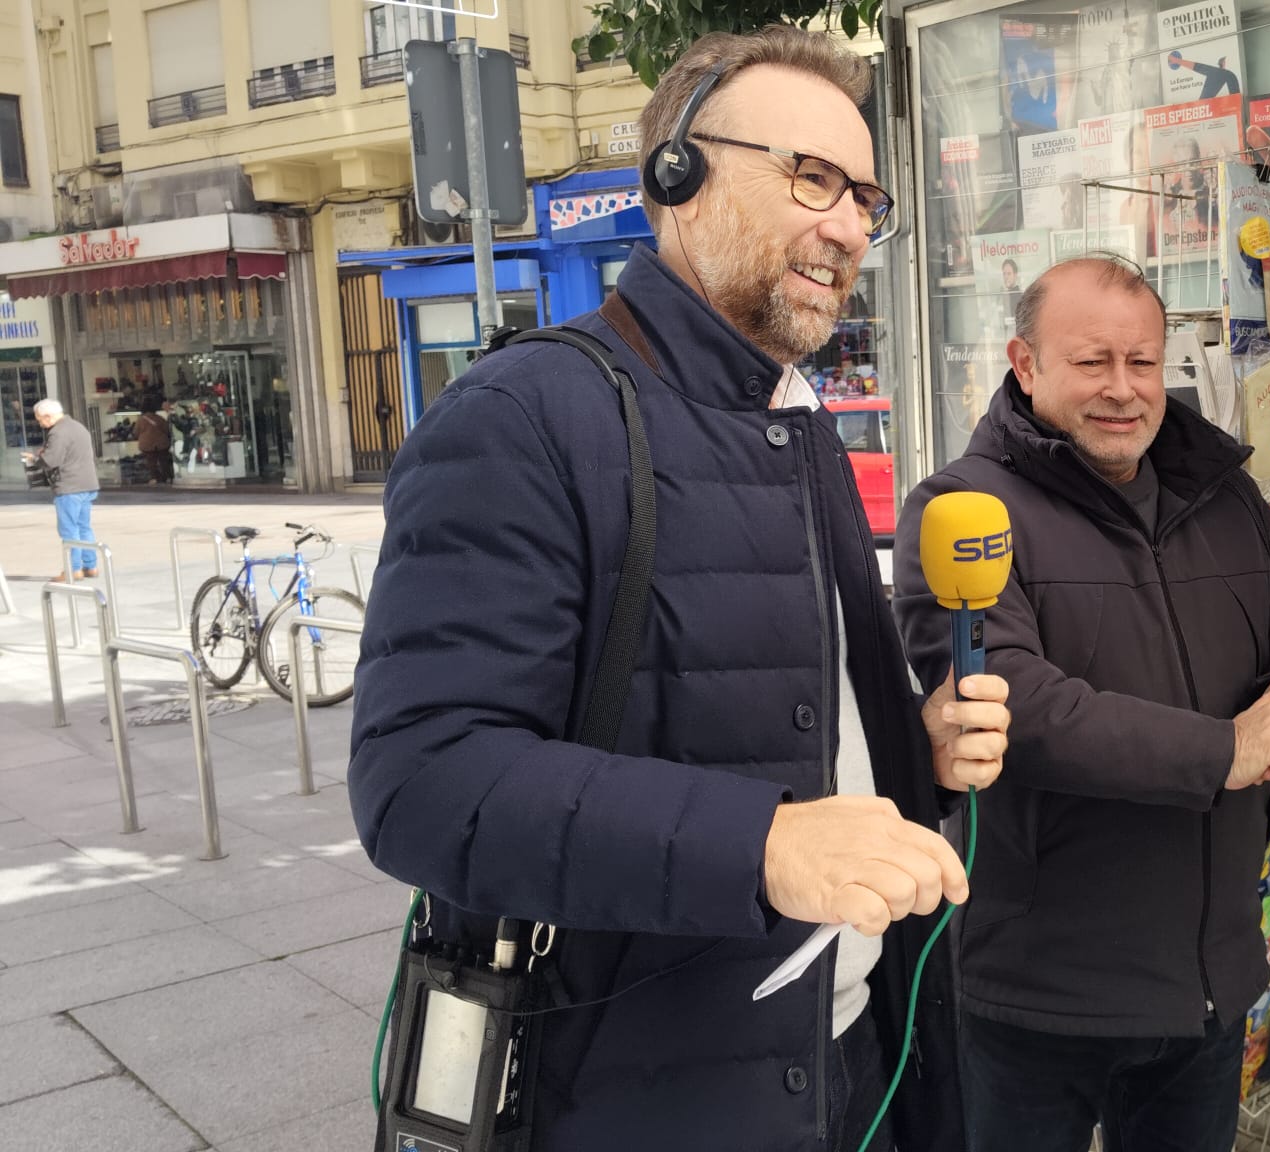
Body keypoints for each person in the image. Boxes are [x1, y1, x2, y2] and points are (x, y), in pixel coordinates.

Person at [349, 27, 1011, 1151]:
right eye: (811, 178)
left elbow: (772, 714)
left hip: (848, 1061)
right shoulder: (522, 421)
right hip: (635, 1096)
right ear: (676, 177)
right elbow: (421, 780)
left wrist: (912, 749)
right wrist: (762, 844)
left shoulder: (789, 421)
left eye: (864, 197)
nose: (848, 226)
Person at [893, 255, 1270, 1152]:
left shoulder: (1222, 497)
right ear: (1024, 365)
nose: (1124, 390)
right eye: (1092, 362)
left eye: (1142, 363)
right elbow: (1014, 703)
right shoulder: (961, 509)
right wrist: (1226, 749)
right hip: (1040, 994)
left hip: (1206, 985)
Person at [23, 398, 99, 581]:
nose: (40, 424)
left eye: (40, 420)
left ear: (48, 416)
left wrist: (34, 459)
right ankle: (91, 566)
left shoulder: (58, 432)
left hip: (69, 487)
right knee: (84, 527)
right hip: (87, 484)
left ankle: (73, 569)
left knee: (69, 529)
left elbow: (51, 460)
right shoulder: (77, 426)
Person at [134, 400, 174, 485]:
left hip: (147, 444)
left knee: (151, 462)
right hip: (162, 444)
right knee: (163, 461)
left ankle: (154, 478)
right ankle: (166, 477)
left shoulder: (140, 420)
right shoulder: (160, 418)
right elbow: (167, 430)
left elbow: (136, 433)